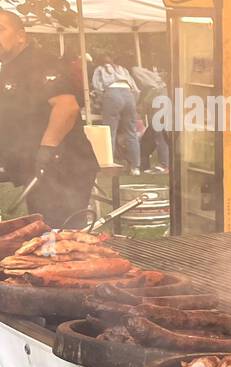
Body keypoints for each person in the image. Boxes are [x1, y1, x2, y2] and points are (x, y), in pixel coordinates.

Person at [0, 11, 100, 226]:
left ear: (21, 36)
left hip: (63, 166)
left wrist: (47, 150)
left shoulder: (40, 62)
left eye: (1, 29)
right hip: (37, 168)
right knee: (45, 232)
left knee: (61, 235)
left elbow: (67, 107)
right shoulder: (9, 69)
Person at [91, 53, 142, 174]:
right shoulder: (123, 69)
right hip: (128, 95)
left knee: (109, 132)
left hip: (112, 94)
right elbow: (136, 89)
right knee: (131, 132)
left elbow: (97, 87)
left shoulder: (100, 69)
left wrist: (100, 101)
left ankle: (109, 165)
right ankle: (135, 167)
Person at [131, 64, 169, 172]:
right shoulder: (147, 77)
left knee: (159, 134)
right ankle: (145, 165)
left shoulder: (134, 72)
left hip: (157, 102)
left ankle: (164, 164)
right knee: (147, 140)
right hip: (156, 102)